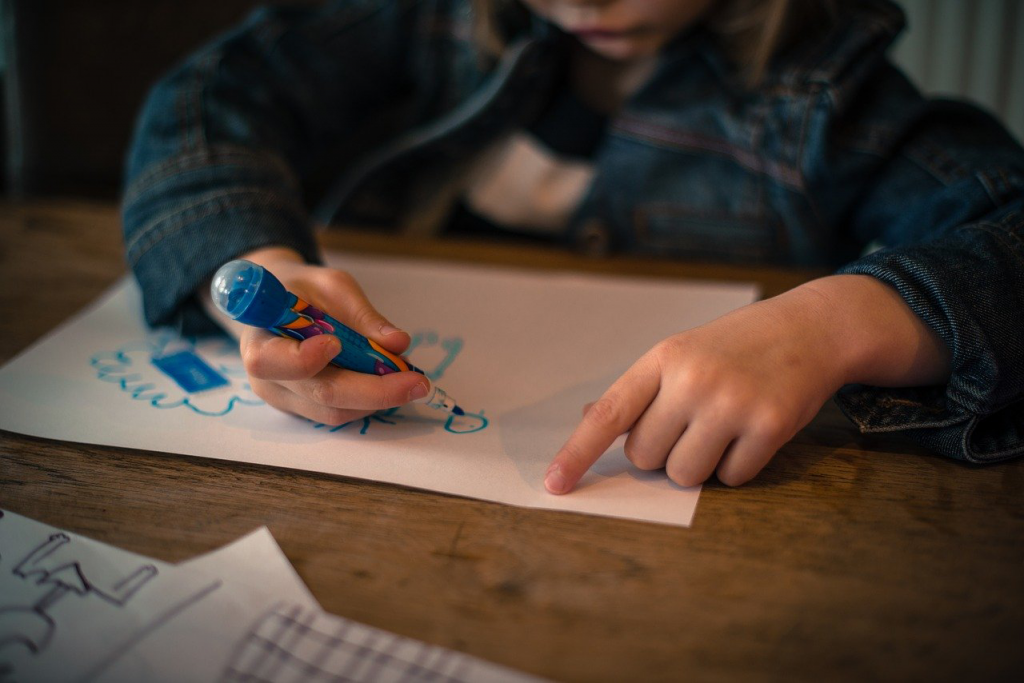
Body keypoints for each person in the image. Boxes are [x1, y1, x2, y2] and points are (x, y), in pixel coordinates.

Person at [122, 0, 1024, 495]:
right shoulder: (426, 17)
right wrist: (253, 263)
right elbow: (209, 96)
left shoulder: (835, 94)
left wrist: (842, 321)